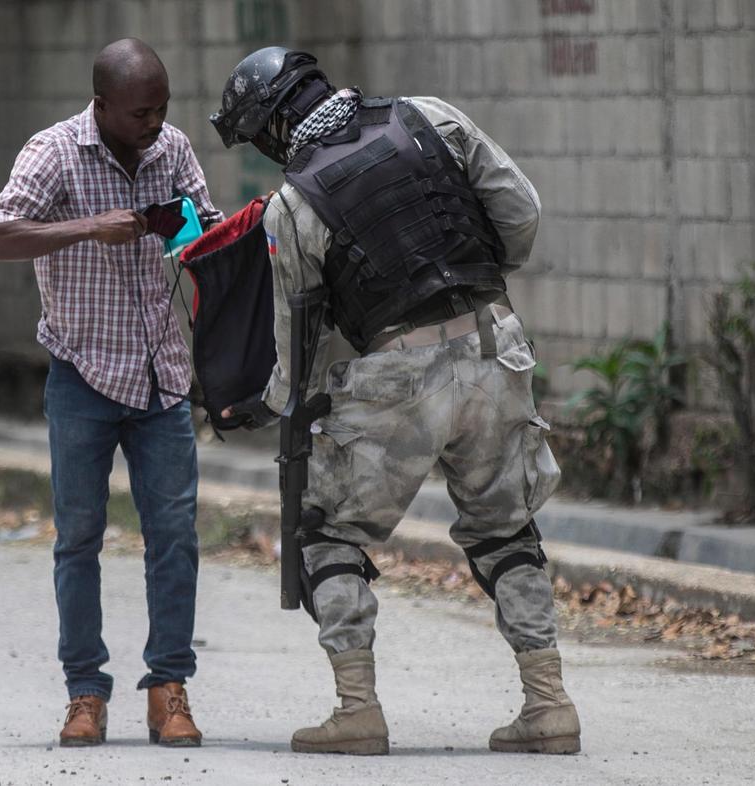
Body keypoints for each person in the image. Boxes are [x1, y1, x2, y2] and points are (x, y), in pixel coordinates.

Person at [210, 47, 581, 755]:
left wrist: (273, 406)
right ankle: (549, 704)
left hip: (396, 378)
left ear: (275, 125)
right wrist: (478, 284)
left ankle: (358, 711)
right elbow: (521, 210)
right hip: (494, 346)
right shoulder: (429, 118)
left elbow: (297, 336)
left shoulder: (292, 206)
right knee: (506, 529)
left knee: (330, 534)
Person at [0, 38, 223, 749]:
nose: (154, 122)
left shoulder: (171, 149)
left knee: (174, 537)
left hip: (162, 378)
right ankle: (84, 693)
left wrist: (218, 235)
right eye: (141, 111)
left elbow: (197, 231)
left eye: (162, 109)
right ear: (103, 105)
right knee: (79, 538)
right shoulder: (54, 153)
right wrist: (89, 227)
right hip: (81, 374)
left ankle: (169, 688)